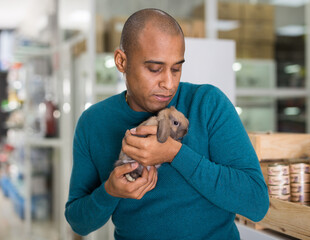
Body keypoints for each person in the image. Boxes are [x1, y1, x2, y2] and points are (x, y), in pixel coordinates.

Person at [65, 8, 269, 240]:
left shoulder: (208, 104)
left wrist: (175, 153)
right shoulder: (94, 122)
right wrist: (110, 191)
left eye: (176, 68)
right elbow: (78, 222)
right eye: (154, 69)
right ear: (121, 61)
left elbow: (256, 203)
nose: (169, 83)